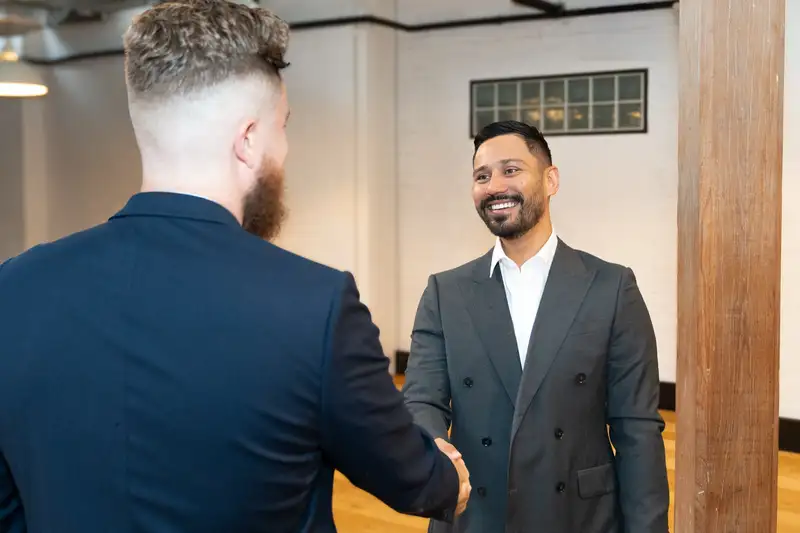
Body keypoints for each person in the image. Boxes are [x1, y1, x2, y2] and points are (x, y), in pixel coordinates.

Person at [0, 1, 470, 532]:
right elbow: (414, 480)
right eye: (282, 128)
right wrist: (448, 475)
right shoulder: (315, 305)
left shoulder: (13, 290)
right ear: (248, 139)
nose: (285, 149)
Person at [402, 120, 669, 533]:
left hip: (579, 517)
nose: (494, 186)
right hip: (476, 514)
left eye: (511, 170)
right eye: (481, 176)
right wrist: (434, 450)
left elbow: (637, 430)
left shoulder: (611, 287)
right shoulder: (445, 292)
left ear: (551, 180)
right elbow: (422, 400)